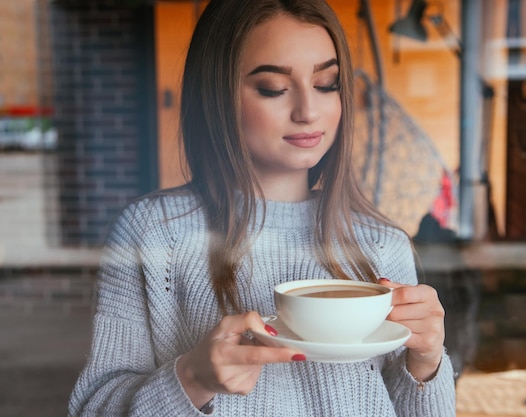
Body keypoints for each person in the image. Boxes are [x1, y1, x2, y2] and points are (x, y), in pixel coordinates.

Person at [68, 0, 456, 415]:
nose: (308, 111)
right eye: (273, 88)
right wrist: (192, 379)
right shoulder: (153, 232)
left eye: (327, 84)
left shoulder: (383, 244)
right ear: (218, 95)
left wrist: (427, 361)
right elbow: (92, 408)